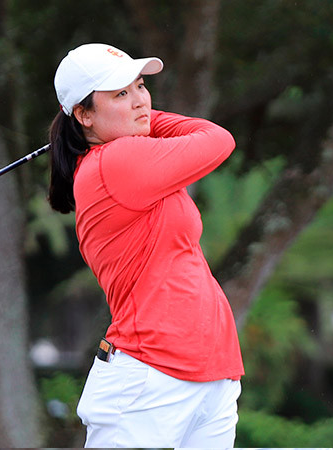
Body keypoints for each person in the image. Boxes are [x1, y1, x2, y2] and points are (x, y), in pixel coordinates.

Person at [48, 43, 244, 448]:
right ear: (83, 115)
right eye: (120, 94)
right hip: (148, 377)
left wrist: (131, 116)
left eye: (140, 87)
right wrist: (148, 120)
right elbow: (217, 139)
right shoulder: (116, 162)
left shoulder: (128, 158)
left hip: (211, 374)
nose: (139, 101)